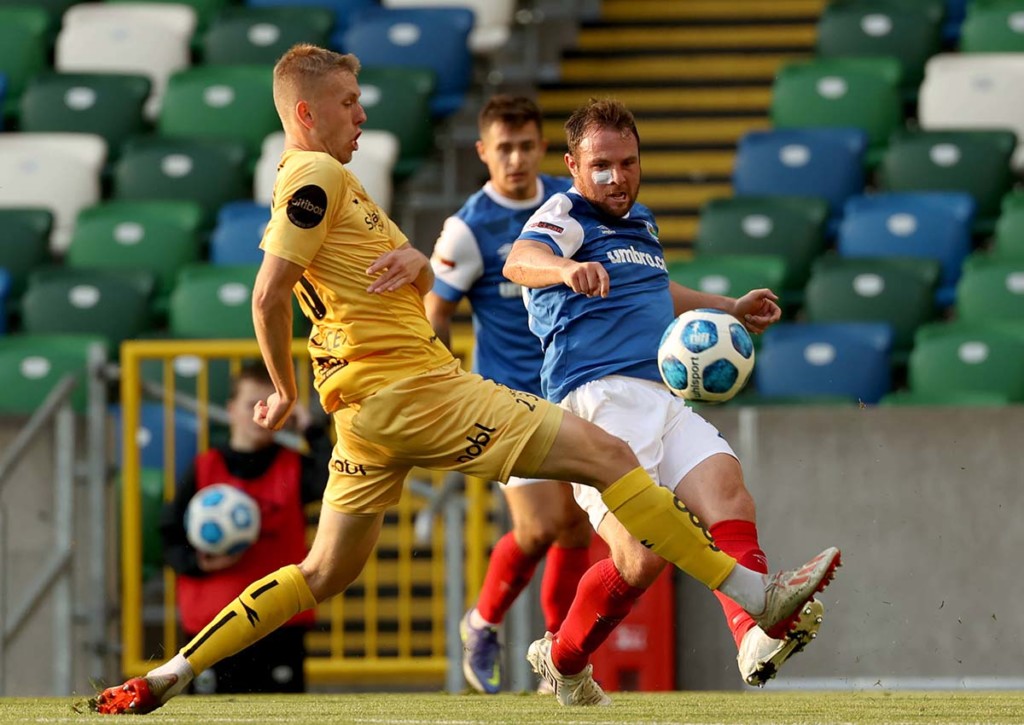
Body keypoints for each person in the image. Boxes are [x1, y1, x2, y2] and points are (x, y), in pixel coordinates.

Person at [94, 45, 840, 716]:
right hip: (420, 392)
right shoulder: (317, 172)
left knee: (322, 570)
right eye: (350, 101)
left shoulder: (333, 185)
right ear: (305, 112)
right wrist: (282, 388)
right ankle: (753, 596)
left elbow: (367, 279)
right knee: (607, 461)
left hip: (366, 415)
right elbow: (268, 290)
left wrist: (418, 266)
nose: (362, 113)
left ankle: (172, 669)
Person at [502, 98, 831, 706]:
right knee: (640, 561)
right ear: (573, 164)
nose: (617, 177)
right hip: (595, 403)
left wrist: (727, 307)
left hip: (660, 392)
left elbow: (657, 287)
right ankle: (563, 658)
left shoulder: (640, 222)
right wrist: (564, 271)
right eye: (602, 164)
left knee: (728, 489)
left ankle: (751, 633)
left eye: (628, 163)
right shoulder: (564, 214)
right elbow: (519, 261)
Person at [424, 95, 591, 695]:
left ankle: (556, 661)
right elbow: (436, 309)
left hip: (570, 388)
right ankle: (484, 621)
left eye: (525, 146)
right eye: (504, 148)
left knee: (576, 530)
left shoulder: (563, 206)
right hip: (505, 400)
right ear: (483, 152)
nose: (516, 159)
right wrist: (443, 385)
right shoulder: (469, 226)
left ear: (541, 147)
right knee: (543, 526)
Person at [159, 362, 331, 695]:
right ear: (231, 410)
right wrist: (199, 563)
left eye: (272, 402)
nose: (262, 412)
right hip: (211, 627)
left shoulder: (293, 466)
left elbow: (335, 481)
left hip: (281, 625)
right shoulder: (204, 468)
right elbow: (169, 535)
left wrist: (311, 429)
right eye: (254, 403)